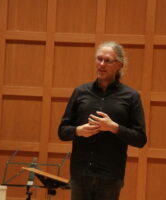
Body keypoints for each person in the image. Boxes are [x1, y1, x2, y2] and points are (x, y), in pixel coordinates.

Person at [58, 41, 147, 200]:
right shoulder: (80, 92)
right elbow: (63, 131)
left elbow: (140, 138)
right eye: (99, 59)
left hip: (110, 175)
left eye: (107, 60)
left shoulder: (131, 96)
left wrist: (114, 127)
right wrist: (79, 131)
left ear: (119, 65)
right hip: (81, 174)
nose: (101, 64)